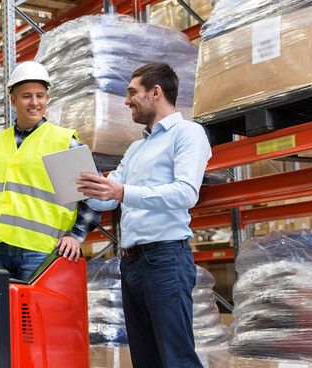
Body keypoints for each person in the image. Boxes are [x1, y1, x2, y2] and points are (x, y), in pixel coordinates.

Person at [76, 62, 210, 367]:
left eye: (132, 92)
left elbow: (186, 193)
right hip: (133, 263)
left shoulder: (188, 134)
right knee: (146, 360)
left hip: (165, 260)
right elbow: (110, 200)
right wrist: (87, 190)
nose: (126, 101)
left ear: (156, 93)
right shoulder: (136, 148)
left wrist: (122, 192)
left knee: (177, 358)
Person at [0, 61, 100, 280]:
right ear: (13, 100)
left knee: (33, 314)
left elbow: (95, 196)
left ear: (47, 99)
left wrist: (76, 237)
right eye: (26, 96)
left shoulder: (62, 141)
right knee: (1, 313)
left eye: (40, 95)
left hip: (42, 252)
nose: (34, 103)